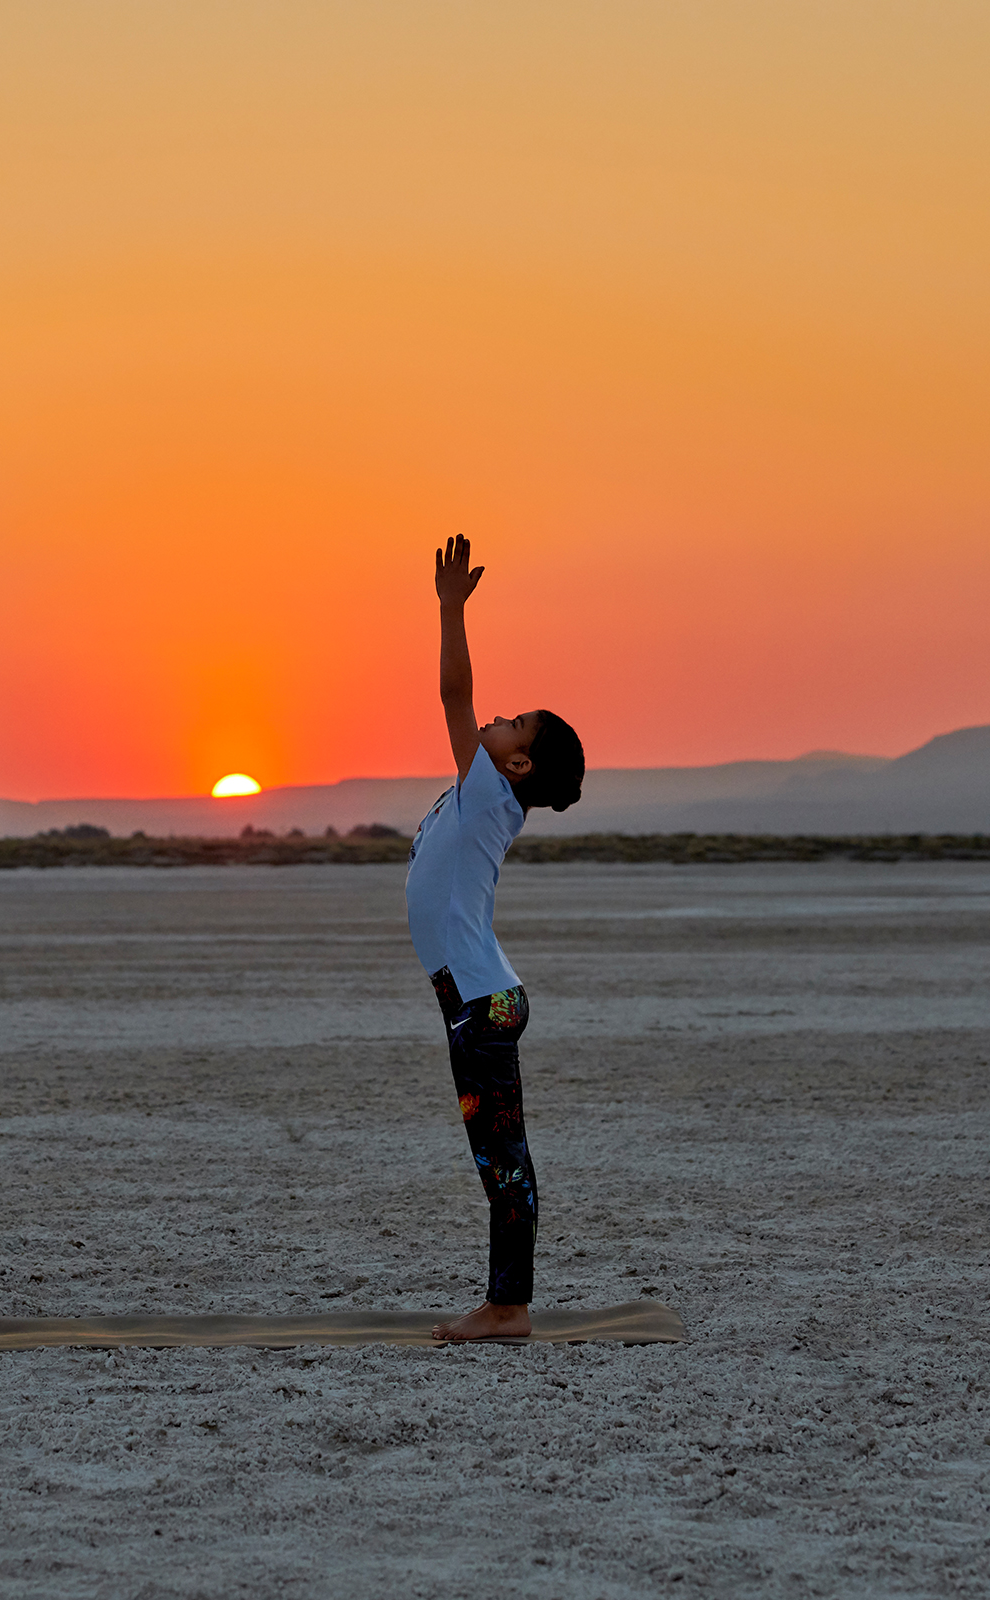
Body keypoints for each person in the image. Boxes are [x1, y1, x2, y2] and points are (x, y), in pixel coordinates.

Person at [406, 534, 585, 1341]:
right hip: (475, 999)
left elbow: (452, 696)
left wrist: (449, 609)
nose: (496, 717)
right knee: (497, 1152)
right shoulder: (475, 795)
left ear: (517, 766)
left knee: (500, 1155)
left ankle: (508, 1305)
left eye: (515, 724)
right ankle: (506, 1299)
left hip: (482, 1004)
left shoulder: (488, 797)